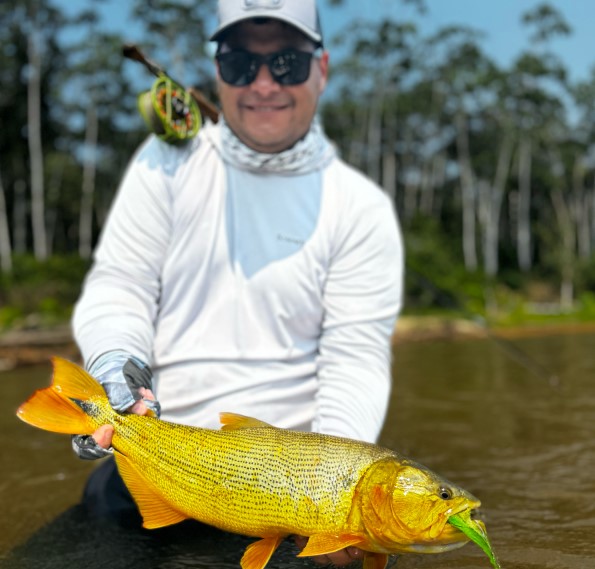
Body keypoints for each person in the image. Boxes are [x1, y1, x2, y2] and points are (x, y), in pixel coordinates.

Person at [71, 0, 404, 565]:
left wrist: (335, 501)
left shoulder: (362, 208)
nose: (265, 84)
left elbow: (356, 356)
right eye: (241, 63)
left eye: (289, 64)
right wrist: (116, 367)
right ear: (219, 70)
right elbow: (120, 284)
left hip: (296, 486)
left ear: (321, 70)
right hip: (157, 453)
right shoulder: (166, 164)